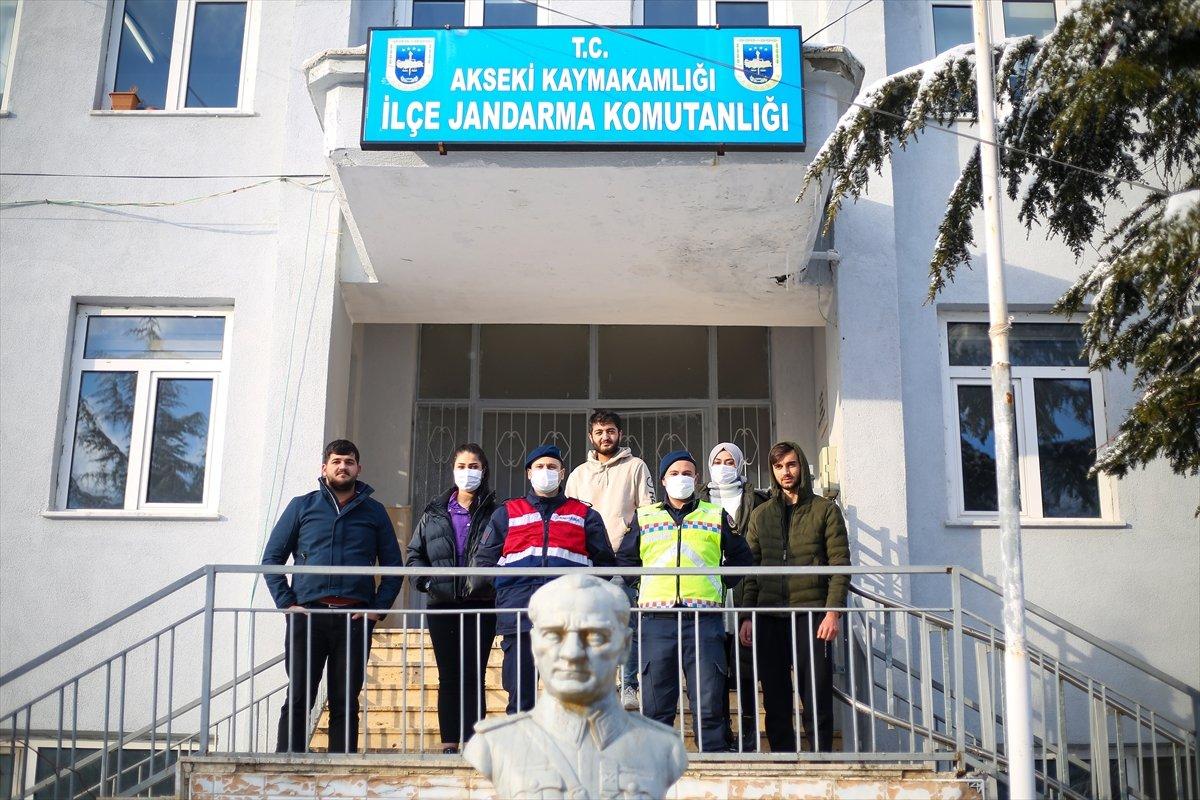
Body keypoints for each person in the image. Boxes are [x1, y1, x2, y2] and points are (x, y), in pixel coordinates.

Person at [463, 574, 688, 799]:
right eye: (553, 635)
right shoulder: (492, 745)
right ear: (534, 644)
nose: (572, 653)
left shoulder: (664, 748)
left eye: (595, 637)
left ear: (625, 645)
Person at [261, 439, 404, 753]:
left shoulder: (375, 512)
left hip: (354, 618)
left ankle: (342, 767)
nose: (343, 467)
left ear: (358, 468)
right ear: (324, 467)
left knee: (344, 698)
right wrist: (287, 603)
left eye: (349, 461)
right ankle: (287, 762)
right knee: (300, 694)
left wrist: (376, 610)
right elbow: (271, 559)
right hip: (307, 617)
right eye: (337, 461)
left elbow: (395, 567)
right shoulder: (302, 506)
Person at [615, 449, 753, 752]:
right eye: (675, 473)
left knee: (708, 699)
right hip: (656, 620)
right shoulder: (645, 516)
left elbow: (743, 558)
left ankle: (713, 757)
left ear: (697, 478)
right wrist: (642, 584)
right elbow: (625, 560)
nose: (682, 478)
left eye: (688, 473)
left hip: (703, 619)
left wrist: (721, 581)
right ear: (663, 480)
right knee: (657, 702)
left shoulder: (714, 515)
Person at [472, 444, 616, 714]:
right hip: (519, 615)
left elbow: (605, 565)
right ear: (529, 473)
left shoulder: (585, 515)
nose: (545, 472)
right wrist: (506, 592)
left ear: (562, 474)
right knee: (520, 697)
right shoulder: (506, 513)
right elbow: (484, 563)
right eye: (539, 467)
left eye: (552, 467)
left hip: (570, 620)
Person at [739, 441, 850, 753]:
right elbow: (752, 569)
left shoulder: (825, 510)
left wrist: (833, 612)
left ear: (801, 465)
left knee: (815, 693)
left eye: (790, 464)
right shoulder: (761, 515)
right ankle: (783, 762)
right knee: (775, 697)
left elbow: (840, 564)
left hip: (812, 615)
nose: (785, 472)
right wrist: (747, 616)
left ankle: (820, 761)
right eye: (778, 467)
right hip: (769, 616)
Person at [406, 443, 498, 754]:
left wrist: (491, 583)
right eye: (461, 465)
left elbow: (506, 553)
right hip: (442, 603)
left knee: (474, 674)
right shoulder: (434, 511)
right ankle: (449, 743)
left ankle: (474, 743)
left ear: (483, 471)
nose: (467, 472)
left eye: (474, 466)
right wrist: (429, 583)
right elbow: (414, 554)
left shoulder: (496, 511)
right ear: (453, 470)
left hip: (480, 604)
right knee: (449, 675)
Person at [564, 410, 655, 710]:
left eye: (611, 431)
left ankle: (630, 686)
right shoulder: (578, 475)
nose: (606, 436)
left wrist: (632, 550)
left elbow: (648, 513)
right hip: (588, 562)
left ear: (620, 434)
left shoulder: (636, 468)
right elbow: (569, 520)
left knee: (626, 625)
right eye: (600, 431)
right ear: (591, 436)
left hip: (623, 560)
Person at [696, 442, 769, 750]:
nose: (723, 466)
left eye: (729, 461)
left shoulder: (758, 500)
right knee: (715, 674)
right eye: (718, 460)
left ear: (739, 464)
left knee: (747, 669)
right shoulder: (698, 499)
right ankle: (721, 734)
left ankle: (750, 735)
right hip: (710, 593)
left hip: (744, 591)